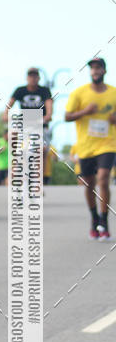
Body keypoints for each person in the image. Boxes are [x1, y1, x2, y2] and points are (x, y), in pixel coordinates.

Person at [65, 57, 116, 240]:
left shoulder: (113, 93)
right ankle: (94, 219)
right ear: (90, 72)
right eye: (92, 68)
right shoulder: (79, 93)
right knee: (89, 185)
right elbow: (67, 116)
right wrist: (85, 111)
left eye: (98, 67)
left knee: (103, 178)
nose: (95, 71)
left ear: (104, 70)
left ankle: (104, 221)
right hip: (85, 146)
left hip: (108, 144)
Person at [3, 67, 53, 178]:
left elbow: (49, 104)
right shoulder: (20, 90)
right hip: (24, 124)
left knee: (42, 150)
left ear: (39, 78)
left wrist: (49, 115)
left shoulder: (44, 91)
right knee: (13, 137)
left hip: (40, 125)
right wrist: (5, 113)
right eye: (30, 76)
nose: (33, 78)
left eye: (35, 76)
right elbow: (10, 103)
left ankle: (38, 179)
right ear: (27, 78)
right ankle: (15, 166)